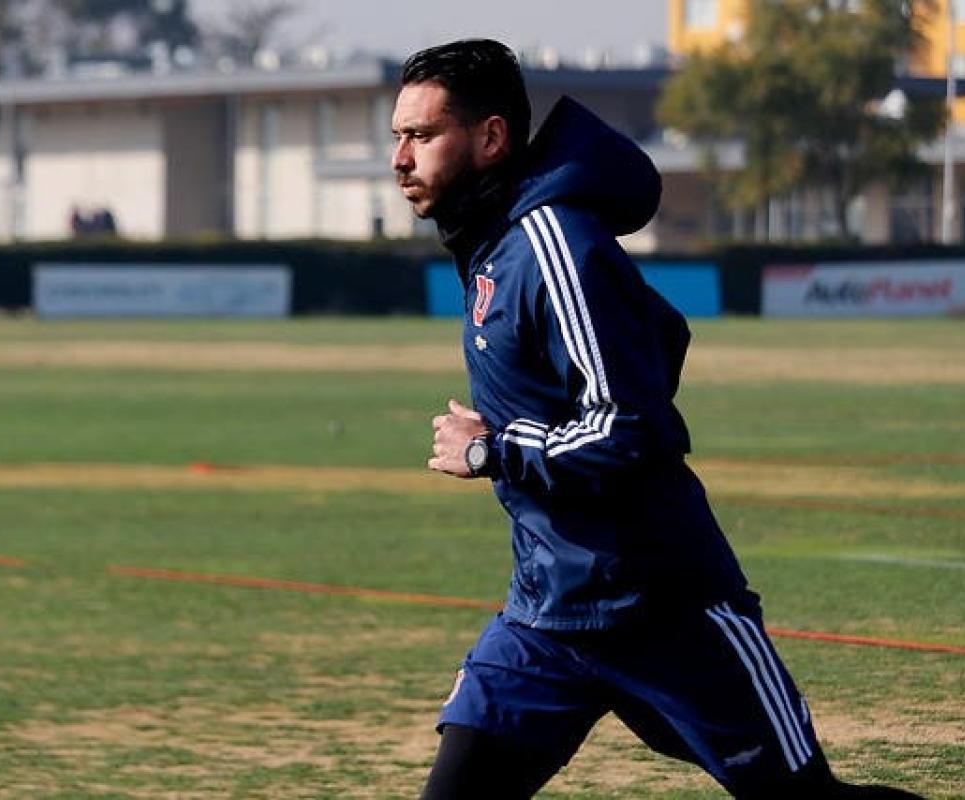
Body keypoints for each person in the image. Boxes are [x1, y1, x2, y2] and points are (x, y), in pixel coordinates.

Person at [392, 39, 927, 800]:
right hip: (546, 616)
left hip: (663, 610)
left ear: (491, 138)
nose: (400, 158)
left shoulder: (552, 246)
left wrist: (494, 452)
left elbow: (628, 429)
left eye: (421, 135)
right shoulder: (491, 247)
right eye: (398, 136)